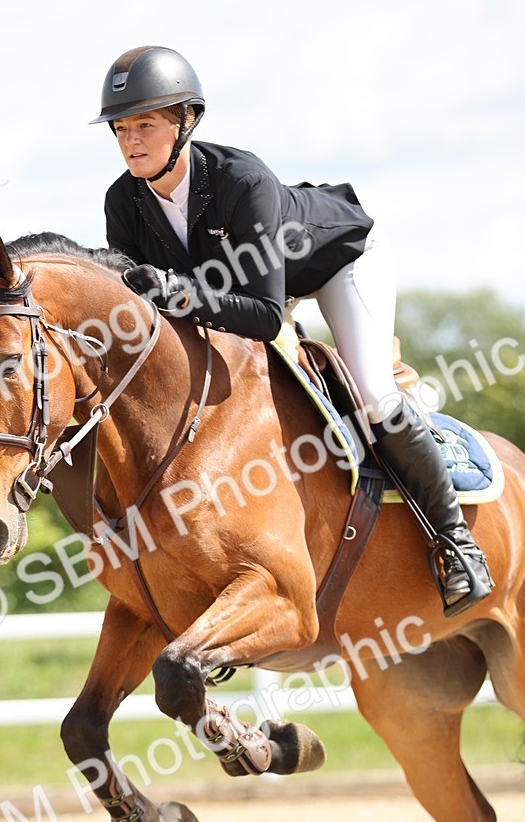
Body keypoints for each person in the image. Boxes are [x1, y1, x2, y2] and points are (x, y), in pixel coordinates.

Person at [91, 44, 493, 617]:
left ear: (186, 121)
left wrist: (181, 292)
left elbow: (266, 315)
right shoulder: (122, 201)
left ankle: (458, 544)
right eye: (121, 127)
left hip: (337, 264)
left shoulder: (241, 180)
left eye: (146, 125)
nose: (131, 140)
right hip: (247, 292)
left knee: (374, 394)